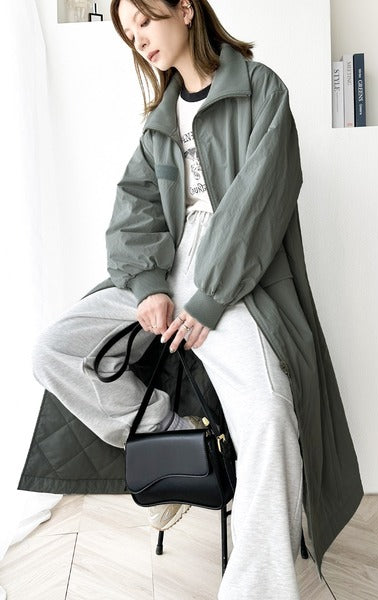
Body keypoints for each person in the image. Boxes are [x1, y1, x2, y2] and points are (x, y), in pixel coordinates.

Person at [31, 0, 313, 598]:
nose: (139, 39)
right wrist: (149, 286)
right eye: (129, 32)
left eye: (145, 21)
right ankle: (171, 430)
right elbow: (134, 211)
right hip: (169, 267)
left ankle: (257, 587)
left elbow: (261, 203)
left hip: (232, 280)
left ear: (185, 9)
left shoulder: (260, 89)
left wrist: (209, 300)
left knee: (269, 414)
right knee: (56, 348)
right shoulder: (160, 120)